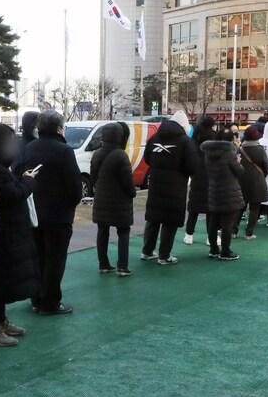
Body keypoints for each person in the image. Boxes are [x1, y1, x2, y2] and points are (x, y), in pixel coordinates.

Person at [18, 110, 84, 315]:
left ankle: (36, 298)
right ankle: (50, 302)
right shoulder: (64, 151)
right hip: (59, 215)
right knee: (55, 259)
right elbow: (75, 186)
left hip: (33, 213)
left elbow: (18, 174)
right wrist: (71, 205)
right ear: (59, 128)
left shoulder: (28, 148)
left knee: (37, 257)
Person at [0, 124, 38, 348]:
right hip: (0, 234)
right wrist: (28, 182)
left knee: (1, 280)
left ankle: (0, 321)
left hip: (5, 233)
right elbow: (12, 195)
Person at [140, 119, 192, 265]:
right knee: (170, 221)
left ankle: (147, 251)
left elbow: (147, 158)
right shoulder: (185, 142)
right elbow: (192, 165)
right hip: (176, 187)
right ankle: (164, 255)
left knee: (153, 218)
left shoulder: (155, 138)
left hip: (156, 184)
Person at [90, 122, 138, 276]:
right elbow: (128, 182)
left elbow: (93, 178)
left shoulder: (97, 154)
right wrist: (132, 193)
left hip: (102, 200)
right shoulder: (121, 155)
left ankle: (103, 264)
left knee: (102, 231)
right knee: (123, 232)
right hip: (120, 202)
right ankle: (122, 266)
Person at [201, 131, 245, 260]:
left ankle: (213, 249)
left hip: (214, 190)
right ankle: (225, 251)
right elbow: (240, 171)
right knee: (227, 223)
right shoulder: (229, 154)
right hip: (229, 191)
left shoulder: (208, 153)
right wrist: (238, 161)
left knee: (213, 221)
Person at [183, 115, 217, 244]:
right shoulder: (214, 137)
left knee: (194, 208)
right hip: (212, 176)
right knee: (211, 211)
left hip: (197, 176)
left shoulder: (195, 137)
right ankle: (210, 237)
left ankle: (188, 235)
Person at [238, 126, 268, 239]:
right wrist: (261, 176)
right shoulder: (260, 150)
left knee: (240, 206)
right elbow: (267, 167)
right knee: (254, 208)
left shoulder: (240, 149)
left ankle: (233, 230)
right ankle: (249, 232)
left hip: (241, 180)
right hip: (257, 181)